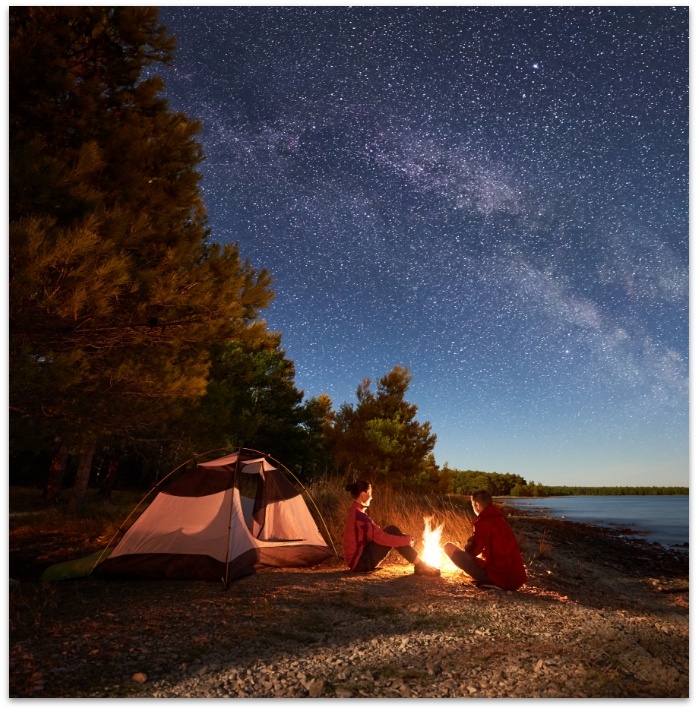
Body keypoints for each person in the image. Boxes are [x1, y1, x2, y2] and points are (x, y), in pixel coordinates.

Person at [343, 480, 440, 576]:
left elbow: (376, 535)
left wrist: (403, 538)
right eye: (370, 494)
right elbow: (381, 538)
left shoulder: (355, 511)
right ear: (364, 495)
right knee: (392, 531)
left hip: (358, 561)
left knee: (391, 530)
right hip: (361, 563)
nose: (371, 497)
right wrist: (405, 540)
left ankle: (420, 565)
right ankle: (421, 565)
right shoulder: (360, 515)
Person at [443, 489, 527, 590]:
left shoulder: (483, 522)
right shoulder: (500, 519)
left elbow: (474, 551)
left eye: (473, 506)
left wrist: (467, 547)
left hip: (499, 578)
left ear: (477, 506)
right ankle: (493, 581)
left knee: (448, 547)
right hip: (516, 580)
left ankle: (492, 583)